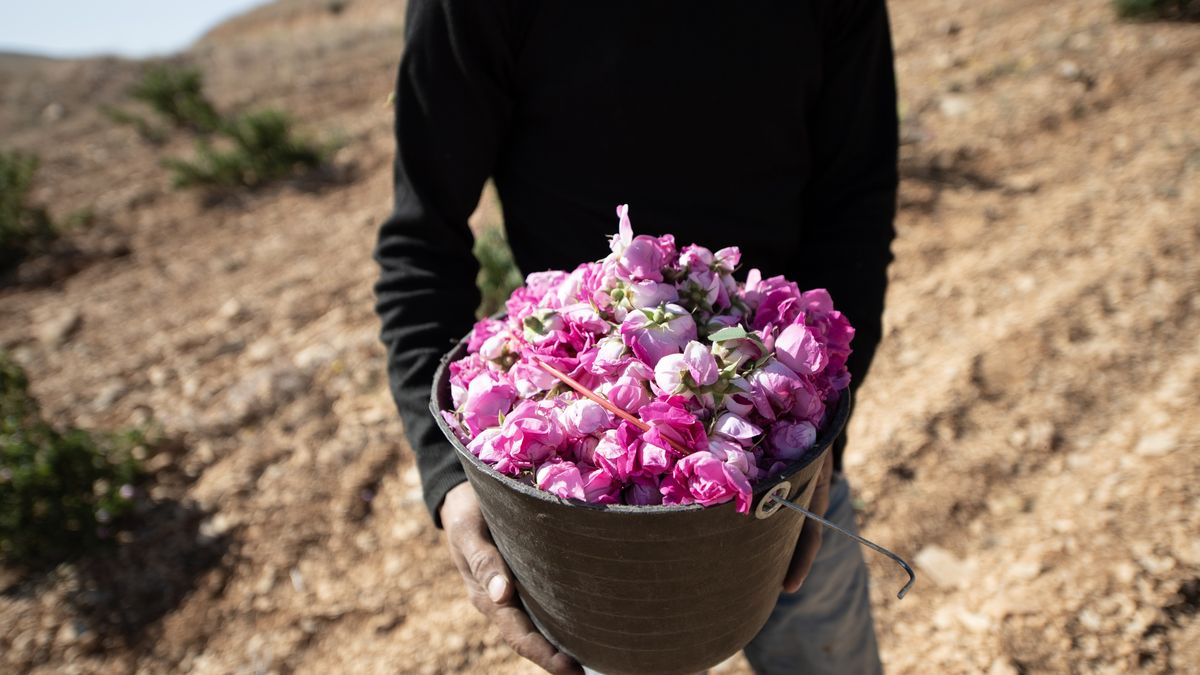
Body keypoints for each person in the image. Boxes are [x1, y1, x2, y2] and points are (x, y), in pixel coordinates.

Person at [374, 1, 897, 673]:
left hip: (783, 461)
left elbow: (856, 201)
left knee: (826, 650)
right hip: (591, 517)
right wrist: (450, 476)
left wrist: (821, 428)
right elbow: (421, 243)